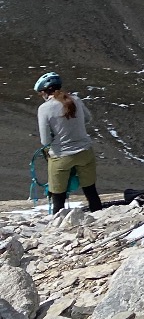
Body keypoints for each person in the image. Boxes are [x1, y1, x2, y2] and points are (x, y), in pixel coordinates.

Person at [34, 73, 104, 214]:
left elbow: (45, 141)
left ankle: (58, 223)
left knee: (58, 197)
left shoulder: (44, 108)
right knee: (91, 191)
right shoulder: (75, 99)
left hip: (61, 156)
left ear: (45, 92)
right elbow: (88, 118)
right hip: (85, 152)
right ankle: (99, 217)